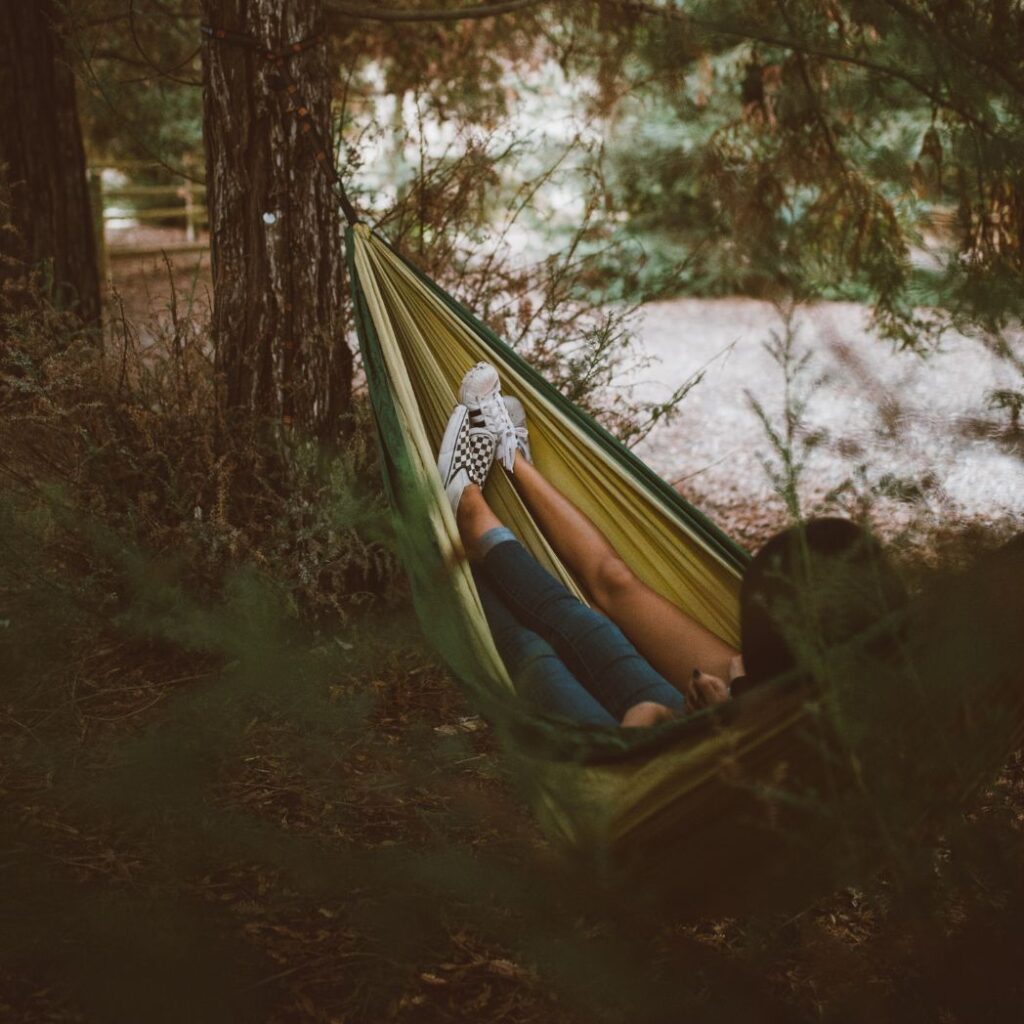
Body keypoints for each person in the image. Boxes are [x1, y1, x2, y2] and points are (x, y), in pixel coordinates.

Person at [437, 362, 907, 729]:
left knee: (535, 652)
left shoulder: (838, 767)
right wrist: (728, 704)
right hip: (744, 712)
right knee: (612, 589)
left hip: (653, 765)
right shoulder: (877, 694)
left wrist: (661, 723)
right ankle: (513, 464)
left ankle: (466, 519)